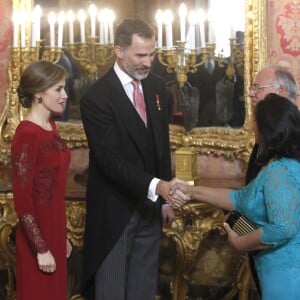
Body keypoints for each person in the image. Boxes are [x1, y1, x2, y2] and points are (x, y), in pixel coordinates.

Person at [80, 19, 181, 300]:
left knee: (142, 290)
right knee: (111, 290)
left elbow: (161, 145)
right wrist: (157, 187)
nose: (148, 62)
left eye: (151, 54)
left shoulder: (157, 87)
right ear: (119, 51)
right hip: (115, 211)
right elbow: (110, 161)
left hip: (150, 210)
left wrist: (163, 201)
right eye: (140, 55)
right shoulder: (96, 98)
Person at [170, 93, 300, 300]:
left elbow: (284, 227)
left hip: (286, 278)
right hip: (277, 272)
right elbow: (238, 199)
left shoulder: (279, 170)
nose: (252, 128)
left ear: (267, 129)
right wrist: (190, 190)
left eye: (256, 122)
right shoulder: (278, 165)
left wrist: (241, 243)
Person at [11, 60, 72, 300]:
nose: (65, 95)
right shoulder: (27, 134)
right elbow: (22, 199)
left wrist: (61, 235)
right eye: (58, 89)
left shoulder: (50, 126)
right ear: (38, 93)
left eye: (64, 88)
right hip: (36, 239)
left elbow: (53, 190)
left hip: (54, 232)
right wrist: (41, 247)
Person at [246, 65, 298, 295]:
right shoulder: (266, 136)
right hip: (263, 256)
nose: (251, 93)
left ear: (281, 92)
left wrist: (240, 241)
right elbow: (251, 192)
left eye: (258, 87)